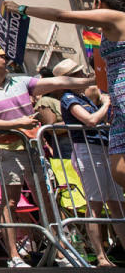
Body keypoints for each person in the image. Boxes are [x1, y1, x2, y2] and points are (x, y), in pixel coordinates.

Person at [0, 45, 95, 267]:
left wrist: (89, 81)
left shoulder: (21, 81)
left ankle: (61, 252)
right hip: (6, 150)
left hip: (33, 146)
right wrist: (19, 123)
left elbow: (57, 83)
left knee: (46, 198)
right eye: (1, 56)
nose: (6, 58)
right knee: (11, 201)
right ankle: (14, 257)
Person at [4, 0, 125, 193]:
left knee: (119, 169)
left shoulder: (114, 16)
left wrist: (23, 9)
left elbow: (61, 15)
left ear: (98, 3)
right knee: (119, 169)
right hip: (118, 101)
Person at [54, 58, 125, 268]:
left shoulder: (82, 97)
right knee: (95, 204)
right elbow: (91, 121)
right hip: (87, 151)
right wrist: (106, 105)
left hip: (102, 149)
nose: (84, 76)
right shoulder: (68, 97)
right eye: (78, 73)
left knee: (117, 204)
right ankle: (101, 256)